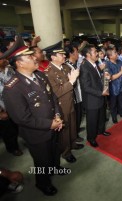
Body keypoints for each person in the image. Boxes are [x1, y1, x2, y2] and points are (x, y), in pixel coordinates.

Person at [2, 36, 65, 196]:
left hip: (54, 125)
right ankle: (42, 183)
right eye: (30, 56)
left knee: (54, 151)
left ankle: (55, 167)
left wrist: (57, 115)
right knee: (42, 160)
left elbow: (53, 99)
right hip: (37, 133)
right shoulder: (13, 88)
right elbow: (22, 118)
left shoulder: (41, 76)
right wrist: (49, 124)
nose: (35, 57)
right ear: (19, 63)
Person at [43, 41, 83, 164]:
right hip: (60, 105)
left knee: (72, 125)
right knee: (64, 130)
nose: (64, 56)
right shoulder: (48, 72)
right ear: (53, 57)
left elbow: (73, 84)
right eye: (61, 54)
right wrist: (71, 81)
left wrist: (73, 80)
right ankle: (66, 152)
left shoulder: (65, 67)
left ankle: (72, 143)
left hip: (70, 101)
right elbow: (57, 92)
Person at [79, 44, 111, 148]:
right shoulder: (84, 67)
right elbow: (86, 87)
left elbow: (95, 78)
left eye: (96, 51)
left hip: (100, 96)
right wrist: (101, 93)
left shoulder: (94, 63)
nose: (97, 53)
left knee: (101, 116)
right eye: (94, 52)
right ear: (88, 54)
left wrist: (103, 74)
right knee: (92, 120)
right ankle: (91, 138)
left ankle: (101, 131)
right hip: (92, 99)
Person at [0, 51, 23, 156]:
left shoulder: (10, 69)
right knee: (8, 131)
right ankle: (12, 148)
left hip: (16, 105)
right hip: (3, 109)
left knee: (19, 126)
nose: (5, 59)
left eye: (5, 57)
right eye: (2, 58)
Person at [64, 45, 84, 143]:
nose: (78, 54)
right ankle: (74, 136)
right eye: (76, 52)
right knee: (75, 117)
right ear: (71, 54)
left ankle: (76, 130)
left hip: (79, 95)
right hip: (74, 97)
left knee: (79, 115)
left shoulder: (74, 64)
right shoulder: (67, 67)